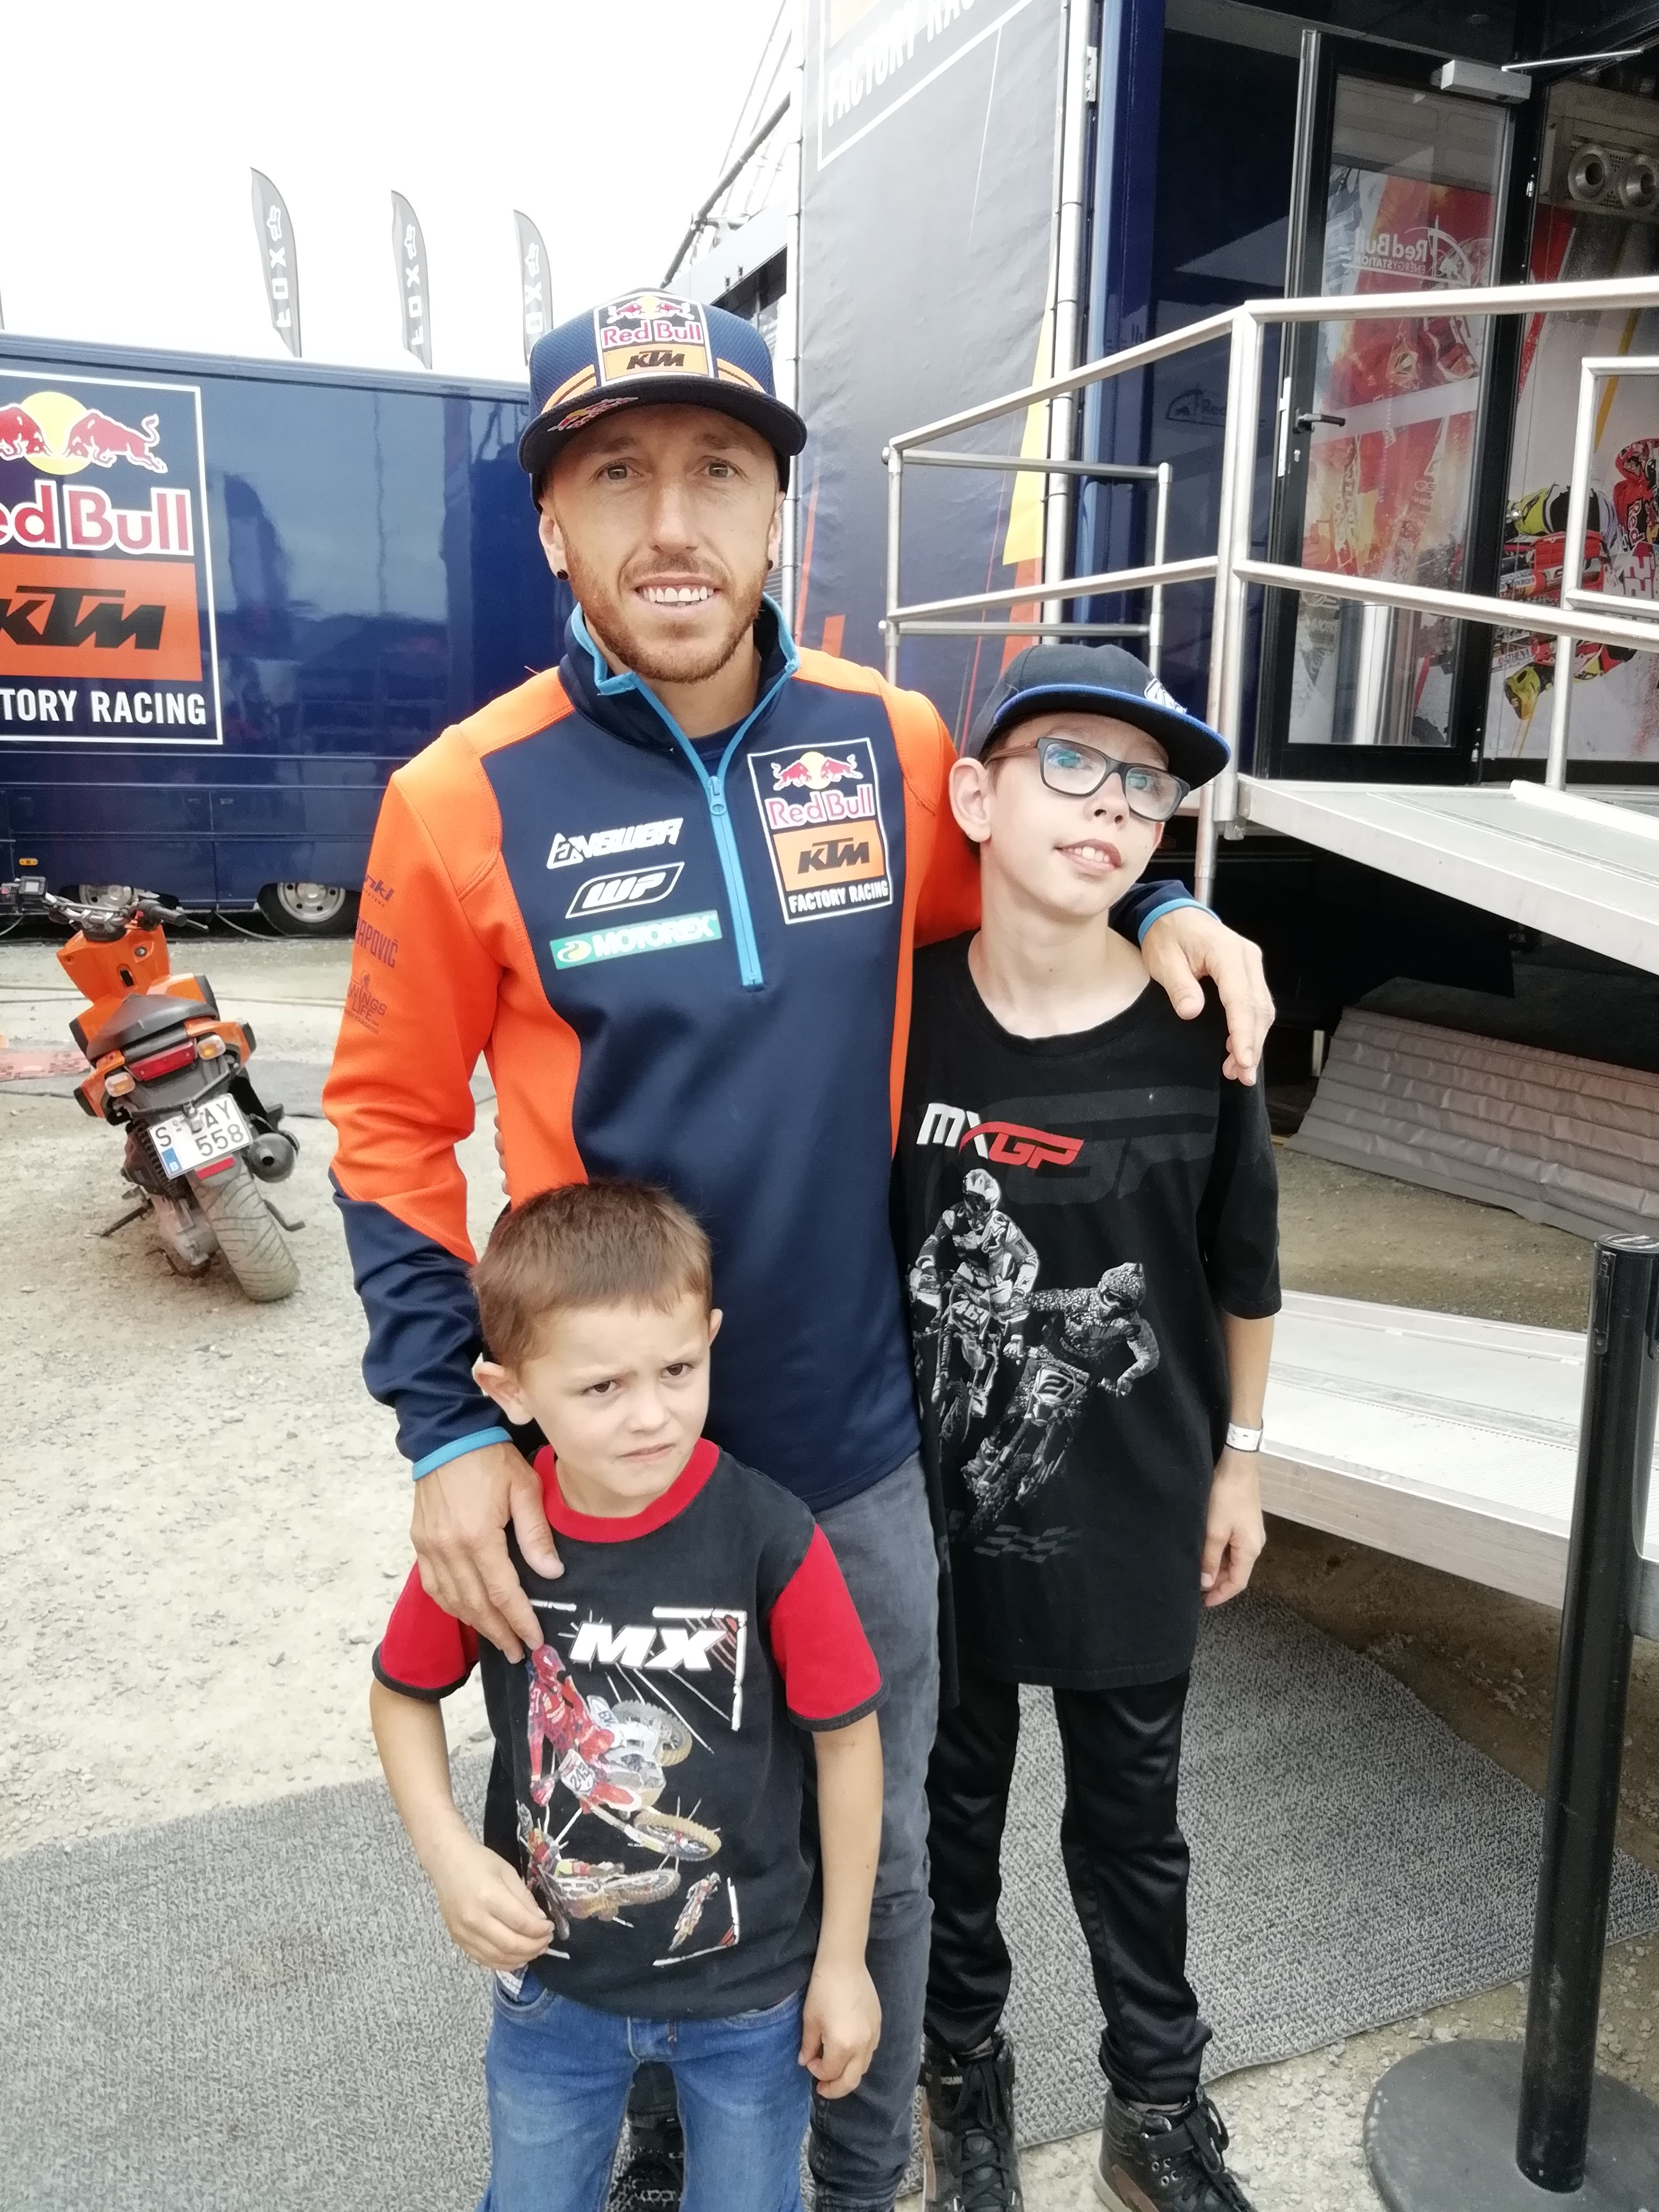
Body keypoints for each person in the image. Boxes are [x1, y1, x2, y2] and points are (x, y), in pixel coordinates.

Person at [323, 286, 1274, 2212]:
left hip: (854, 1450)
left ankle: (856, 2178)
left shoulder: (887, 740)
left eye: (718, 472)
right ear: (553, 524)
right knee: (620, 1838)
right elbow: (384, 1130)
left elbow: (1035, 869)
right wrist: (451, 1430)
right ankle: (661, 2127)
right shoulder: (457, 799)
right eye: (617, 477)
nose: (672, 524)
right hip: (599, 1473)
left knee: (878, 1849)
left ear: (782, 516)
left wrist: (1161, 904)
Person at [894, 644, 1280, 2212]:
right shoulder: (898, 1018)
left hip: (1138, 1503)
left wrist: (1243, 1461)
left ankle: (1156, 2106)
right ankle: (960, 2076)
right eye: (1070, 763)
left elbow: (1244, 1268)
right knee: (950, 1814)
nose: (1114, 806)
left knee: (1134, 1824)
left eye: (1148, 786)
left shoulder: (1204, 1030)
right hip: (934, 1514)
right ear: (975, 796)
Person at [370, 1179, 885, 2212]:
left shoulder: (771, 1536)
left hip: (751, 1996)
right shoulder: (493, 1541)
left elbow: (849, 1742)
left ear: (712, 1339)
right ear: (510, 1390)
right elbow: (401, 1695)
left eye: (678, 1370)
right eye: (601, 1387)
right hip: (553, 1991)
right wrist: (448, 1857)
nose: (651, 1414)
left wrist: (844, 1961)